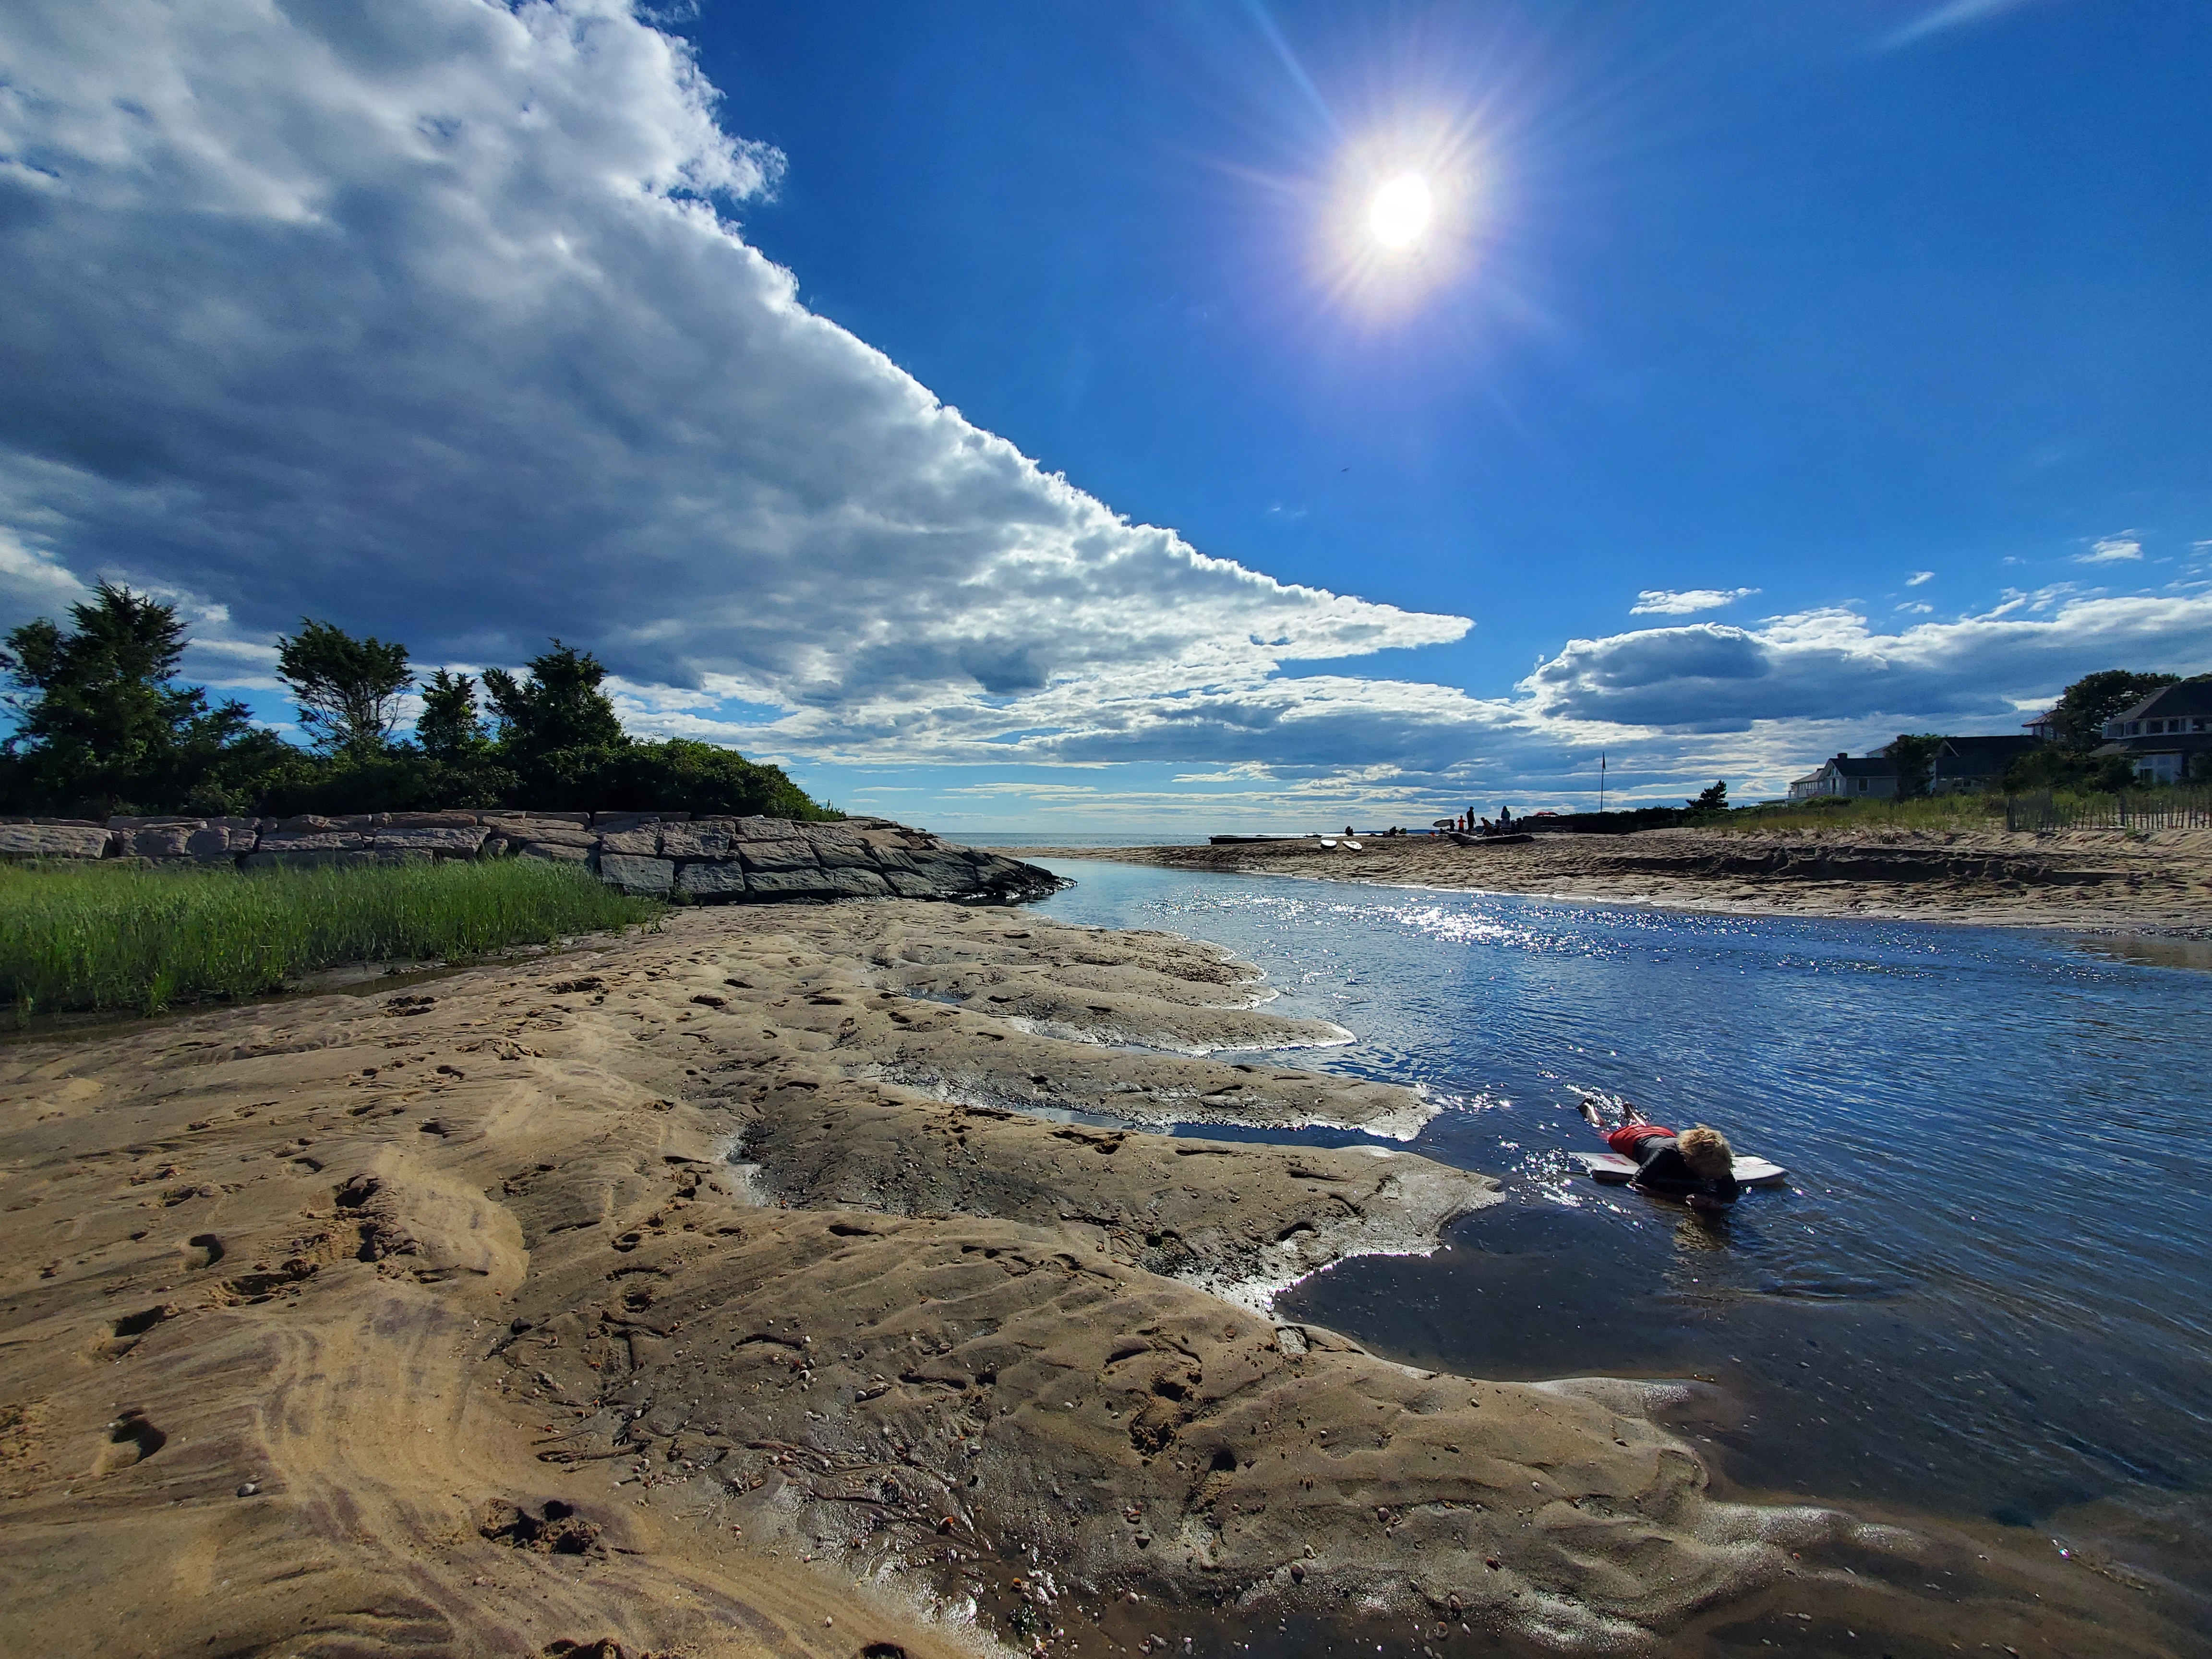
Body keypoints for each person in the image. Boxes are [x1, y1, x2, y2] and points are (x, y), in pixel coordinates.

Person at [1580, 1097, 1740, 1210]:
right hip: (1632, 1139)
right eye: (1712, 1175)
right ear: (1692, 1162)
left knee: (1645, 1126)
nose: (1718, 1177)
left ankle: (1630, 1112)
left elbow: (1732, 1192)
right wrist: (1683, 1200)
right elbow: (1635, 1185)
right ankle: (1589, 1107)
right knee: (1603, 1130)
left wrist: (1717, 1202)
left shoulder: (1718, 1163)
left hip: (1663, 1134)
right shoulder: (1668, 1154)